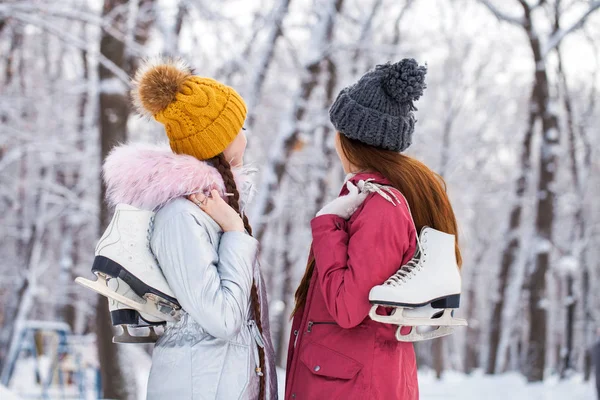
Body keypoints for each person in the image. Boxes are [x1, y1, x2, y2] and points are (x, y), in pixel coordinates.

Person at [284, 59, 462, 399]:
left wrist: (328, 225)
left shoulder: (381, 207)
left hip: (354, 386)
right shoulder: (367, 198)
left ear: (348, 139)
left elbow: (349, 309)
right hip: (346, 380)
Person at [101, 59, 277, 399]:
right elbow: (223, 319)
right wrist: (236, 233)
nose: (246, 135)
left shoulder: (211, 210)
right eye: (239, 126)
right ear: (218, 141)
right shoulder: (181, 216)